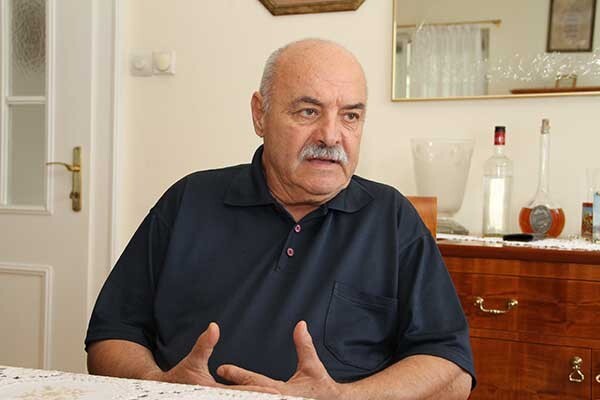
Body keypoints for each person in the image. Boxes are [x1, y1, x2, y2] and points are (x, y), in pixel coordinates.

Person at [86, 38, 475, 399]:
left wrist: (343, 397)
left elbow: (453, 371)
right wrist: (159, 385)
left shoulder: (391, 218)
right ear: (260, 115)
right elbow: (111, 336)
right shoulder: (188, 200)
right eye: (309, 111)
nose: (331, 136)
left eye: (350, 116)